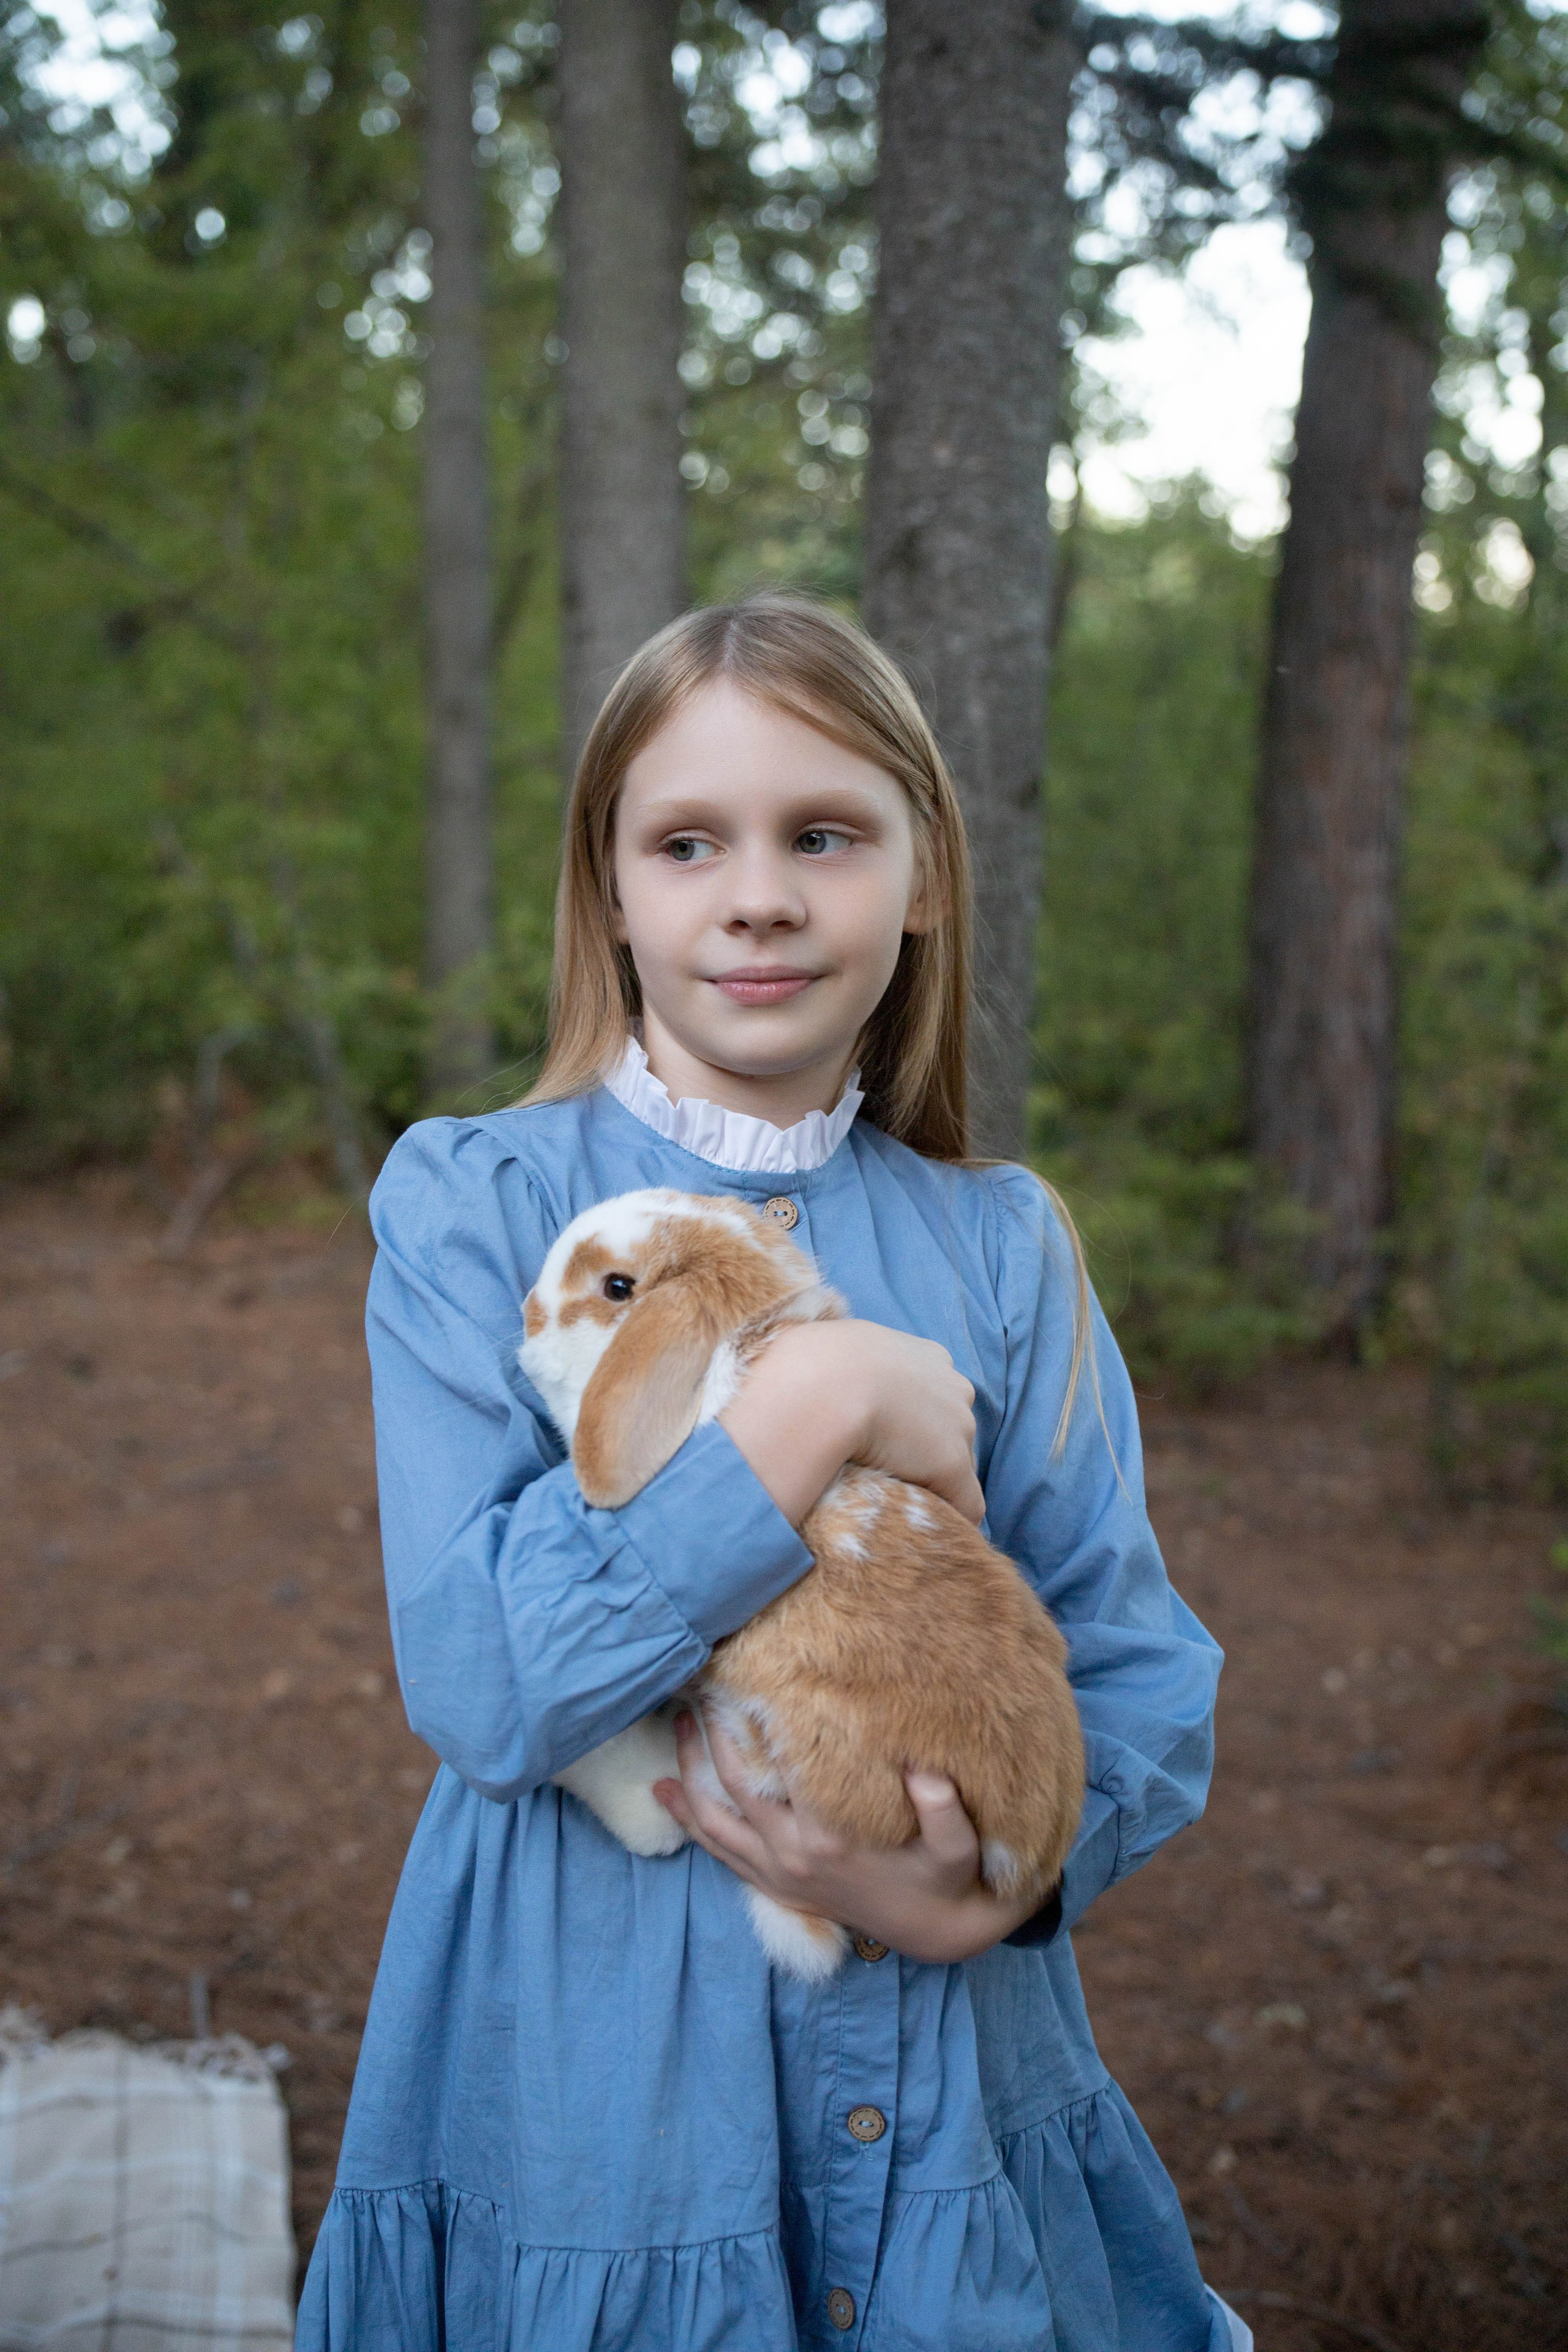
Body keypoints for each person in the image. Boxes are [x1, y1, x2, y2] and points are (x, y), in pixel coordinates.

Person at [295, 595, 1251, 2352]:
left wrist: (983, 1894)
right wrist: (807, 1411)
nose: (758, 895)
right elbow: (491, 1684)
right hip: (603, 2098)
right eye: (688, 842)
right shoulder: (478, 1204)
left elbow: (1138, 1668)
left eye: (826, 834)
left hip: (959, 2077)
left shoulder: (1002, 1246)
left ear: (929, 874)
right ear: (611, 891)